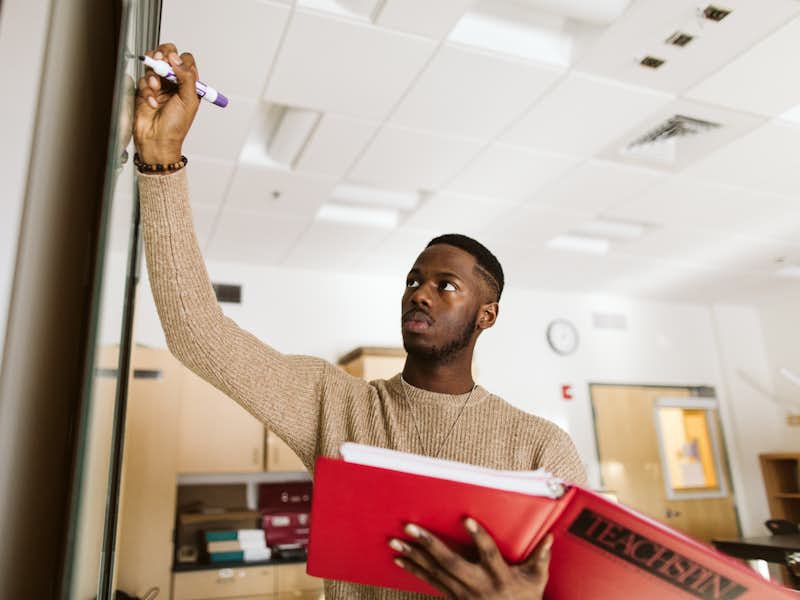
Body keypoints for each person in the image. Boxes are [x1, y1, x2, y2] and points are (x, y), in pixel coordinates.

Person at [134, 43, 587, 600]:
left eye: (445, 286)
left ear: (486, 315)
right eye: (413, 280)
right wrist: (160, 160)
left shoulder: (541, 451)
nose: (420, 294)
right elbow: (196, 332)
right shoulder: (335, 405)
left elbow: (579, 588)